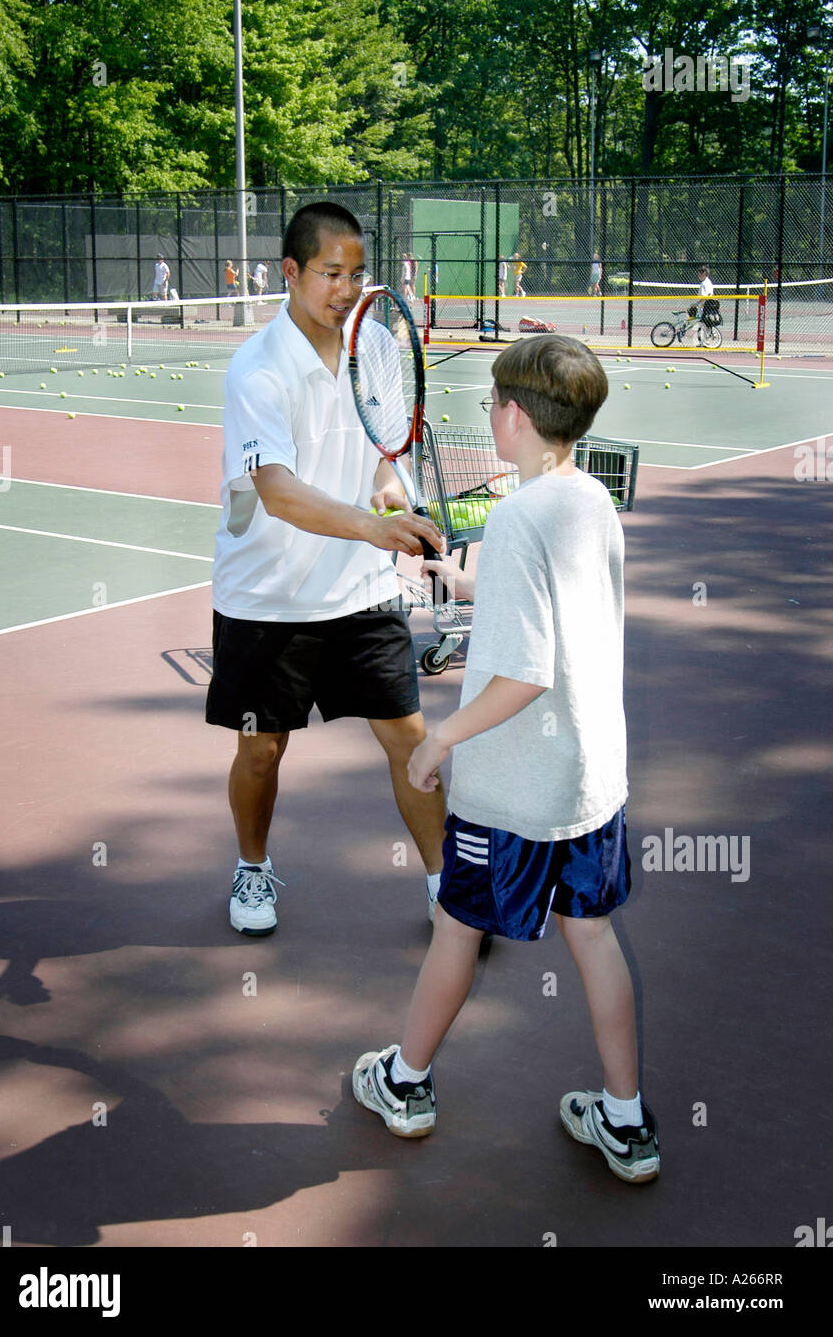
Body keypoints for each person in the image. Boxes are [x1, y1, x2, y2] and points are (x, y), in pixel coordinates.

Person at [352, 333, 660, 1185]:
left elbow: (525, 673)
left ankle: (404, 1081)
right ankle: (627, 1124)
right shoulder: (589, 498)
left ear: (515, 416)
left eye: (491, 404)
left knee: (458, 927)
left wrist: (442, 740)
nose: (488, 415)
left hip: (516, 790)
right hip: (590, 779)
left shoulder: (520, 519)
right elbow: (560, 611)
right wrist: (468, 588)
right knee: (592, 934)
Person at [206, 202, 447, 937]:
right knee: (261, 748)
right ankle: (252, 868)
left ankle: (450, 889)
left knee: (411, 739)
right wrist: (376, 527)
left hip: (361, 592)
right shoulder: (257, 369)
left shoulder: (375, 346)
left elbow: (381, 455)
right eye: (329, 273)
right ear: (291, 272)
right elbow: (278, 493)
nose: (345, 288)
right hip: (266, 597)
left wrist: (390, 498)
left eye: (356, 274)